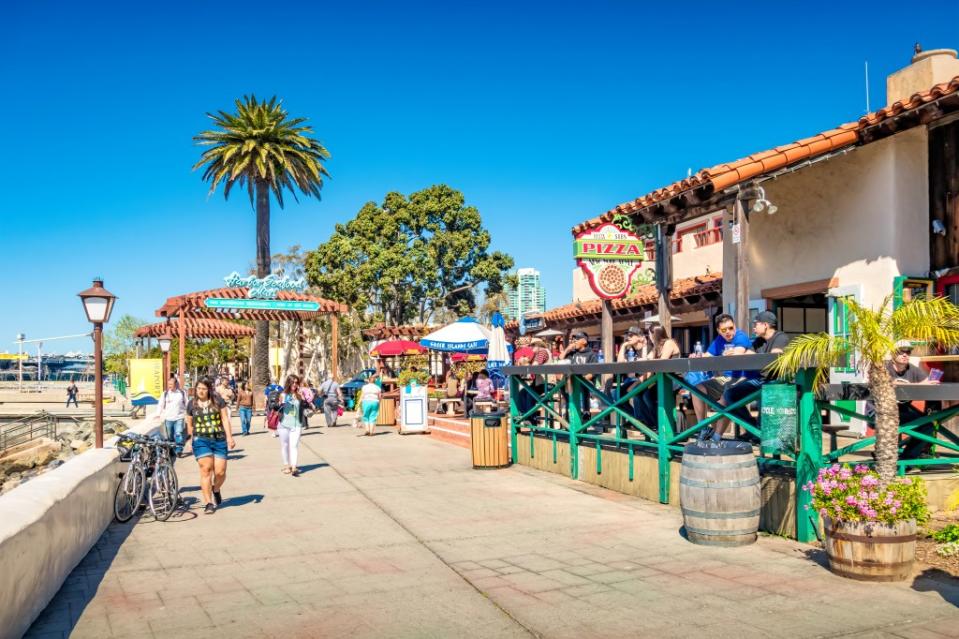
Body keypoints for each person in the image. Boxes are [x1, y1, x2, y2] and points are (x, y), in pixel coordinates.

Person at [717, 311, 791, 440]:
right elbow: (747, 356)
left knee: (767, 391)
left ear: (766, 325)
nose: (754, 327)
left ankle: (760, 433)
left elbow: (774, 359)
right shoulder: (758, 341)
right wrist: (733, 353)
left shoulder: (781, 337)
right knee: (730, 394)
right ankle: (752, 428)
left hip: (777, 381)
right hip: (760, 380)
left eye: (756, 324)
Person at [183, 377, 235, 514]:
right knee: (206, 469)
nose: (200, 391)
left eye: (204, 389)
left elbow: (224, 419)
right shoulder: (191, 404)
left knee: (220, 472)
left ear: (209, 389)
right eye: (198, 388)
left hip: (219, 439)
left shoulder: (217, 401)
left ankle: (216, 488)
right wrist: (189, 440)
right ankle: (208, 502)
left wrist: (230, 437)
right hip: (201, 440)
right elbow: (189, 424)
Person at [884, 340, 940, 460]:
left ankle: (906, 462)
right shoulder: (884, 368)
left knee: (927, 426)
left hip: (901, 410)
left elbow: (926, 383)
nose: (905, 354)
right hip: (882, 411)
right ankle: (894, 460)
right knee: (924, 425)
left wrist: (931, 382)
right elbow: (890, 384)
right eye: (901, 352)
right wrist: (920, 385)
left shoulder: (912, 369)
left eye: (908, 352)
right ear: (893, 354)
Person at [691, 313, 752, 423]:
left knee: (723, 400)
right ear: (719, 331)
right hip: (725, 378)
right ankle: (703, 428)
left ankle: (716, 437)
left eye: (731, 328)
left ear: (734, 326)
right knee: (697, 389)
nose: (728, 331)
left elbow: (738, 354)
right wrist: (697, 356)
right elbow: (707, 356)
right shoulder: (719, 340)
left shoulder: (740, 336)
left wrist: (730, 353)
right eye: (724, 330)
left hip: (742, 379)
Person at [633, 327, 682, 428]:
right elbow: (647, 358)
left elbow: (662, 361)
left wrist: (646, 359)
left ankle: (660, 425)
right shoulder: (657, 347)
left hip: (673, 380)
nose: (649, 337)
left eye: (650, 334)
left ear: (654, 335)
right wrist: (645, 349)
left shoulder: (669, 342)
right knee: (638, 394)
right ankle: (650, 424)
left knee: (647, 396)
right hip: (662, 379)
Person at [559, 330, 598, 421]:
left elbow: (594, 372)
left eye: (577, 339)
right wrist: (568, 349)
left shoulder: (591, 354)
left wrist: (581, 379)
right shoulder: (573, 353)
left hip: (586, 382)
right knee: (561, 385)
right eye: (573, 340)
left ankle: (585, 412)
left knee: (582, 385)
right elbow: (561, 358)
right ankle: (572, 409)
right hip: (572, 383)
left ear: (584, 341)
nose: (574, 341)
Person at [277, 375, 305, 476]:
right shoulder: (283, 394)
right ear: (288, 383)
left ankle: (294, 467)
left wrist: (302, 398)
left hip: (296, 424)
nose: (294, 384)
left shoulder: (299, 394)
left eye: (296, 382)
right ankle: (286, 466)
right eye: (292, 382)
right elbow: (278, 409)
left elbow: (303, 407)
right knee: (285, 445)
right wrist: (282, 404)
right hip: (283, 424)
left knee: (294, 446)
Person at [157, 377, 188, 456]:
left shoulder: (182, 393)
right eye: (169, 384)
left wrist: (189, 413)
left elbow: (186, 403)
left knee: (179, 434)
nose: (169, 386)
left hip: (179, 417)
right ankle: (171, 450)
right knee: (170, 437)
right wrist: (158, 414)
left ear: (176, 384)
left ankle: (178, 451)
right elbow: (160, 405)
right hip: (168, 418)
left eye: (171, 384)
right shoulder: (165, 394)